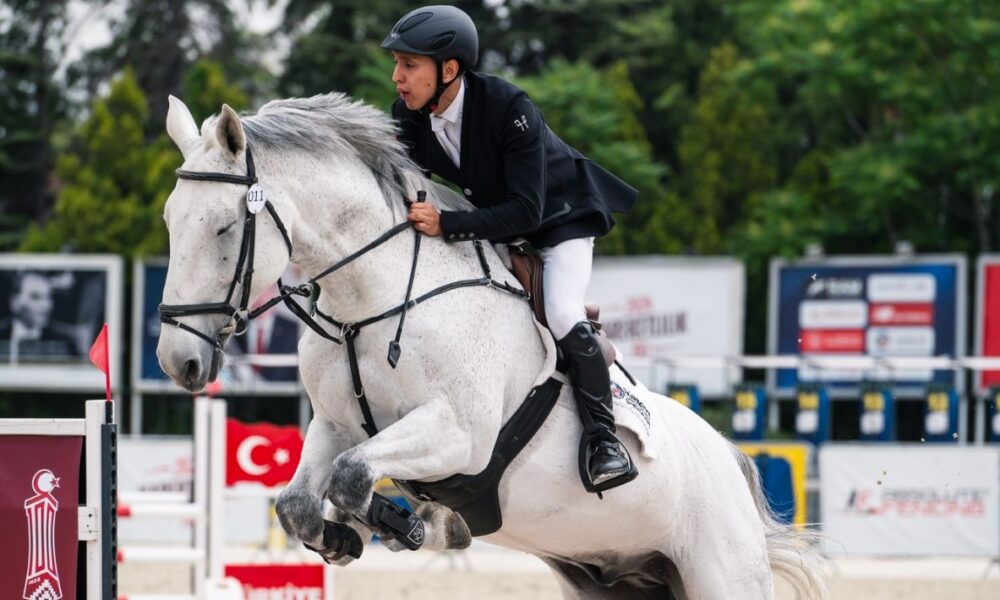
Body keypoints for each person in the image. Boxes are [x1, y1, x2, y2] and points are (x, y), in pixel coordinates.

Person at [382, 5, 638, 491]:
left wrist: (448, 223)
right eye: (397, 63)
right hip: (492, 230)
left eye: (409, 65)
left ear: (449, 70)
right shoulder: (409, 116)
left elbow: (527, 211)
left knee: (562, 313)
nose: (397, 77)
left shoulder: (508, 107)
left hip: (556, 223)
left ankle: (605, 442)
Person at [0, 271, 81, 363]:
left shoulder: (65, 343)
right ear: (15, 302)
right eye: (36, 297)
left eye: (48, 297)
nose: (46, 305)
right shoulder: (2, 337)